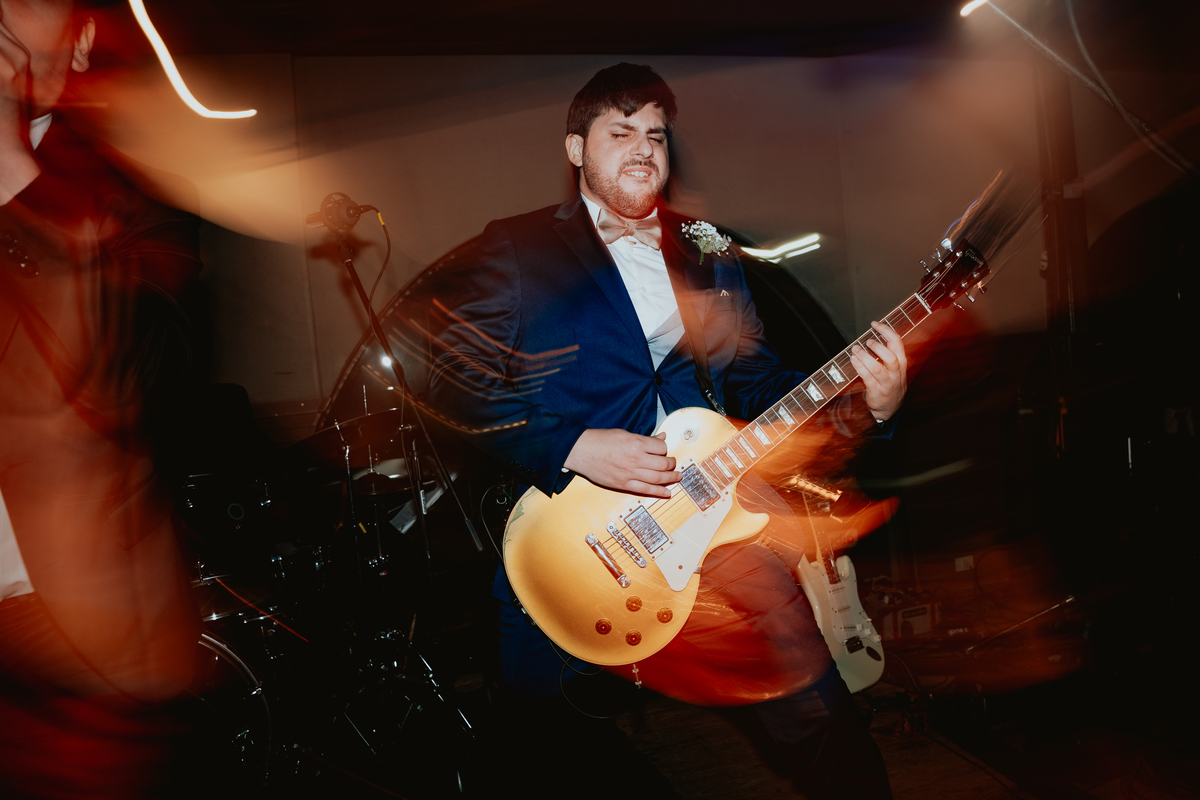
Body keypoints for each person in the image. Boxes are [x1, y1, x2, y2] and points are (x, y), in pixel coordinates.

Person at [428, 63, 906, 797]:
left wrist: (868, 403)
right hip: (576, 538)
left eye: (655, 135)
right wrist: (573, 446)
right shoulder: (517, 247)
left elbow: (758, 385)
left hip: (718, 527)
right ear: (576, 149)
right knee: (541, 744)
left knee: (819, 718)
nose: (644, 148)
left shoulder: (709, 249)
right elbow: (452, 384)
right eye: (620, 132)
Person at [0, 1, 202, 796]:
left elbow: (138, 379)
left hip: (64, 657)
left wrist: (9, 165)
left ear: (82, 41)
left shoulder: (132, 210)